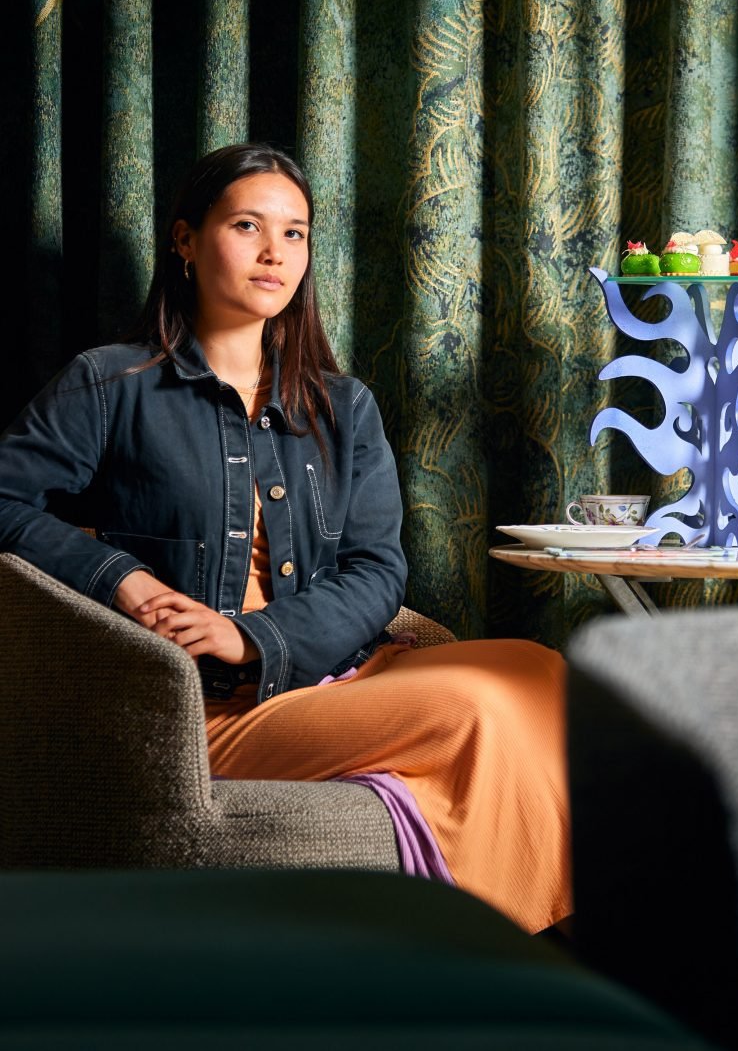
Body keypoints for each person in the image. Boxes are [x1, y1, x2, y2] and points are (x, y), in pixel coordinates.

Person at [0, 143, 570, 934]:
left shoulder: (343, 405)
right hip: (209, 706)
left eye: (296, 233)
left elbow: (378, 570)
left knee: (546, 673)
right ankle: (502, 960)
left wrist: (254, 633)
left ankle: (516, 935)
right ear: (186, 239)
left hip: (341, 673)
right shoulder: (110, 384)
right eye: (247, 225)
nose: (276, 252)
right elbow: (6, 498)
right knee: (479, 704)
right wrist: (118, 577)